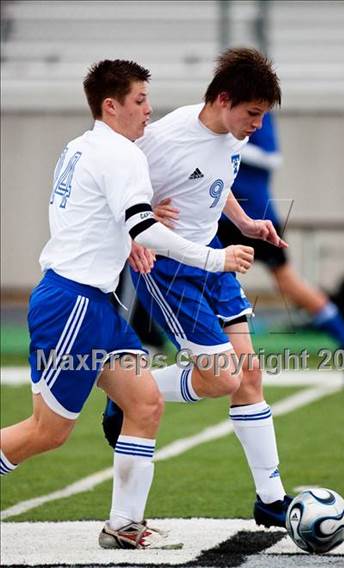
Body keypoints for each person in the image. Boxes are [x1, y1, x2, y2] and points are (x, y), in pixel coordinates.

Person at [0, 59, 253, 550]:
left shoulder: (82, 147)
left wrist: (132, 229)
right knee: (45, 433)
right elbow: (142, 228)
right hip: (72, 305)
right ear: (110, 105)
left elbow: (108, 217)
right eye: (139, 100)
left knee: (145, 403)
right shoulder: (123, 155)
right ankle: (126, 524)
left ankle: (125, 526)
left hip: (92, 303)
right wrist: (213, 258)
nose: (148, 110)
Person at [103, 48, 294, 529]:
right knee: (223, 378)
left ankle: (271, 500)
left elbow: (216, 181)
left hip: (212, 252)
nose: (256, 126)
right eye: (252, 114)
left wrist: (246, 222)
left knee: (248, 374)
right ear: (224, 100)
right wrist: (134, 229)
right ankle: (128, 392)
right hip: (167, 268)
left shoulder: (229, 133)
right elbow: (116, 195)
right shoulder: (164, 140)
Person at [217, 112, 344, 386]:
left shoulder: (255, 113)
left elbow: (272, 157)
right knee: (209, 278)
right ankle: (215, 357)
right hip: (221, 217)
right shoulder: (221, 112)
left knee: (289, 285)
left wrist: (231, 143)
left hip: (259, 216)